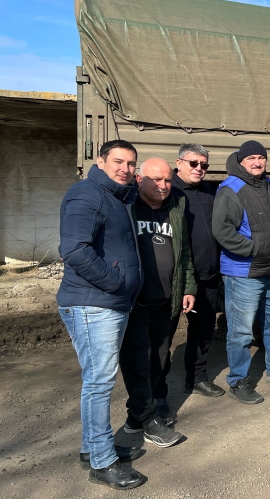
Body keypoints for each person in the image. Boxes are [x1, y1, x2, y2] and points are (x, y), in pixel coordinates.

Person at [57, 139, 146, 490]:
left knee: (98, 379)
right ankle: (102, 461)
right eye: (118, 161)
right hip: (94, 302)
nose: (125, 168)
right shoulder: (87, 193)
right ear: (100, 161)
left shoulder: (116, 197)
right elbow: (74, 250)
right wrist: (116, 283)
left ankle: (91, 448)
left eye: (130, 164)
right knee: (99, 383)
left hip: (107, 303)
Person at [119, 158, 195, 449]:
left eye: (167, 180)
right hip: (136, 302)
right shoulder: (126, 208)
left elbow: (184, 252)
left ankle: (137, 417)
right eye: (156, 180)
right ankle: (149, 420)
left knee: (159, 361)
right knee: (138, 361)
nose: (163, 186)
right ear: (139, 179)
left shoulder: (175, 208)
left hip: (167, 300)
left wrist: (188, 287)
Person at [213, 140, 270, 405]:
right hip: (244, 272)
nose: (257, 162)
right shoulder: (231, 189)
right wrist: (254, 249)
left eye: (261, 158)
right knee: (241, 331)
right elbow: (223, 231)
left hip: (269, 269)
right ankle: (238, 380)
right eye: (251, 159)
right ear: (241, 161)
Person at [154, 144, 224, 400]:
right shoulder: (169, 191)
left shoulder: (210, 191)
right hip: (177, 278)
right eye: (194, 163)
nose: (199, 169)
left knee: (203, 330)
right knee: (164, 337)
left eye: (204, 165)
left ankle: (197, 378)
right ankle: (156, 390)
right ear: (179, 163)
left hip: (207, 276)